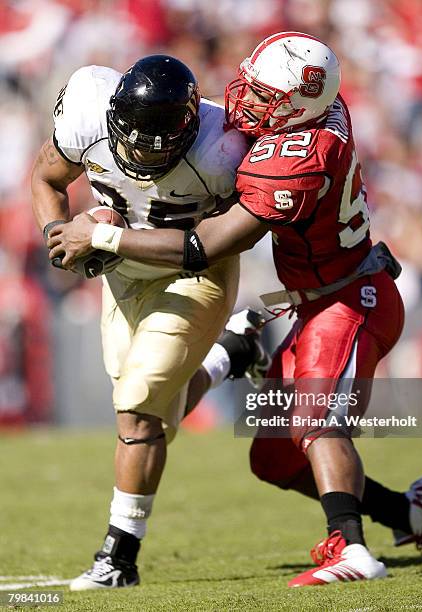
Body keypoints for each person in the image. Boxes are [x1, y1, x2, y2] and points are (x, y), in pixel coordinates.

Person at [46, 35, 422, 587]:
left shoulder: (297, 157)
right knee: (274, 461)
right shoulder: (312, 114)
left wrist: (108, 236)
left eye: (263, 94)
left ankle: (352, 549)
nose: (246, 99)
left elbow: (205, 247)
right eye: (252, 82)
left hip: (349, 297)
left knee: (316, 421)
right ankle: (411, 513)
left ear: (296, 108)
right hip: (311, 298)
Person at [31, 54, 251, 590]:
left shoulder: (224, 148)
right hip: (120, 276)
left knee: (137, 413)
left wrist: (104, 235)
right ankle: (230, 356)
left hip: (194, 274)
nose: (138, 156)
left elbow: (213, 245)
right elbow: (45, 178)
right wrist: (63, 237)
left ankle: (118, 558)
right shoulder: (87, 105)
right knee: (150, 411)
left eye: (158, 145)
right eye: (130, 141)